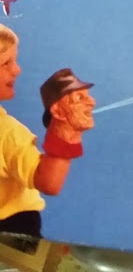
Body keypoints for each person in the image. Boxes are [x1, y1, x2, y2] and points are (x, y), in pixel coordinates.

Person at [0, 26, 94, 240]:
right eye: (6, 63)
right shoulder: (6, 133)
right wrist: (66, 128)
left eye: (14, 60)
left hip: (14, 226)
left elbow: (48, 181)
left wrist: (66, 130)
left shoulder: (7, 132)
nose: (17, 70)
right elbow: (49, 183)